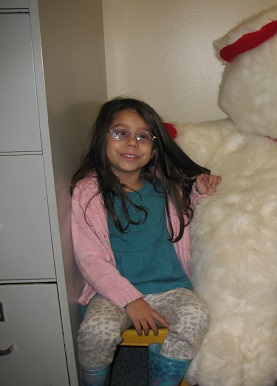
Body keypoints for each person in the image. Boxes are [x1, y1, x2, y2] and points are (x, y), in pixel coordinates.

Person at [71, 97, 221, 386]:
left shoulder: (166, 186)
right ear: (102, 139)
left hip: (169, 286)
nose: (131, 143)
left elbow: (186, 225)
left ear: (153, 149)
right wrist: (131, 301)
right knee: (95, 332)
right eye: (120, 133)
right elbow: (90, 259)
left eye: (143, 136)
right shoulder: (88, 192)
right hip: (113, 292)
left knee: (197, 316)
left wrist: (199, 195)